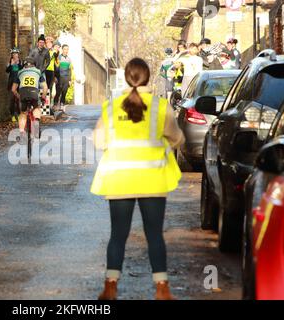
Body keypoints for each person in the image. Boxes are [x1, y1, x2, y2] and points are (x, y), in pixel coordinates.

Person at [91, 57, 185, 300]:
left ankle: (110, 287)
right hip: (152, 180)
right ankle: (162, 289)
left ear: (126, 78)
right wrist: (169, 140)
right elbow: (177, 138)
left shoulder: (112, 107)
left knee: (118, 235)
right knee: (154, 235)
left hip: (119, 179)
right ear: (149, 77)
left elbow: (99, 141)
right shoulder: (160, 106)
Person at [11, 56, 48, 144]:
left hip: (23, 92)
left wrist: (19, 96)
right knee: (36, 108)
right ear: (34, 65)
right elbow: (45, 87)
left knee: (23, 113)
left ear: (24, 65)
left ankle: (22, 133)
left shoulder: (20, 72)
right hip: (34, 92)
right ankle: (36, 121)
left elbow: (13, 89)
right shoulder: (38, 72)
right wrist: (43, 96)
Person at [53, 44, 74, 111]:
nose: (66, 51)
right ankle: (55, 104)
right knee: (58, 92)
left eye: (67, 49)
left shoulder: (69, 59)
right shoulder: (58, 57)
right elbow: (55, 68)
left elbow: (70, 70)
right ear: (62, 50)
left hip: (66, 78)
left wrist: (70, 80)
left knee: (64, 92)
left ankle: (62, 104)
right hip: (59, 77)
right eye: (65, 49)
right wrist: (55, 77)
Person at [6, 47, 23, 122]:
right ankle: (12, 115)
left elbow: (22, 70)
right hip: (12, 82)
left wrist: (18, 64)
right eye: (14, 54)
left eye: (16, 54)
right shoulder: (10, 61)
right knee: (12, 99)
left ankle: (19, 114)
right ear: (12, 55)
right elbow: (7, 70)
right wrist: (11, 65)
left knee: (18, 99)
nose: (15, 55)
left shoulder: (20, 61)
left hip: (19, 82)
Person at [45, 37, 59, 107]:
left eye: (50, 43)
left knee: (49, 89)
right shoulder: (44, 51)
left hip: (51, 71)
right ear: (46, 44)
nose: (49, 44)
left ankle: (49, 106)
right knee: (44, 88)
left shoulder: (53, 52)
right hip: (45, 71)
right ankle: (44, 105)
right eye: (47, 43)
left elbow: (56, 57)